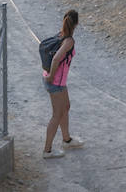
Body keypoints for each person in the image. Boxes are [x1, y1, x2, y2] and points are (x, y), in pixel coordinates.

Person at [42, 9, 83, 158]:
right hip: (56, 82)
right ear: (76, 23)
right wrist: (52, 76)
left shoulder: (60, 35)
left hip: (57, 81)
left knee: (66, 107)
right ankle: (47, 151)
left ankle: (67, 140)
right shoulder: (69, 41)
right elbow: (56, 59)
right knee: (57, 115)